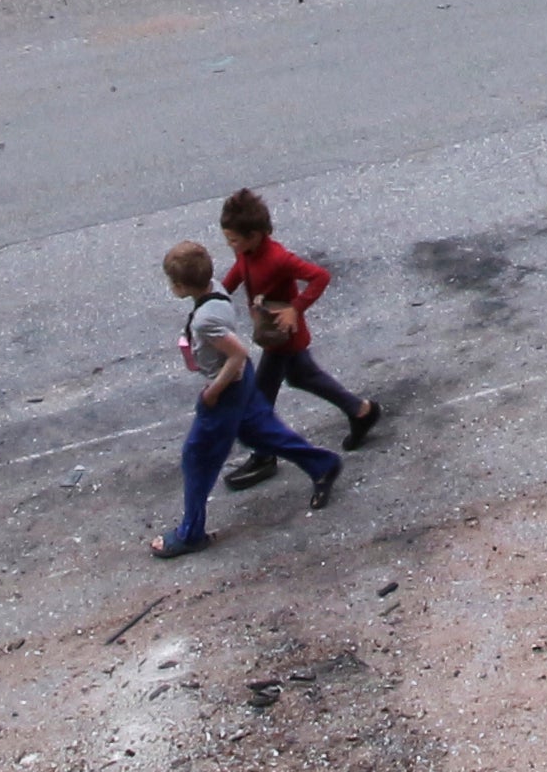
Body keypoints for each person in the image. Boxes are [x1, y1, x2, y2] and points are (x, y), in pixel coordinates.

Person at [157, 238, 338, 559]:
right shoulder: (215, 292)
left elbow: (237, 355)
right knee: (262, 433)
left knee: (196, 458)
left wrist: (212, 393)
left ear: (181, 286)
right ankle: (322, 464)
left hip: (226, 390)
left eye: (173, 282)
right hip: (241, 384)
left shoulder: (204, 320)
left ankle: (191, 533)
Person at [217, 187, 380, 489]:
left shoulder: (277, 258)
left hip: (284, 338)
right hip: (275, 338)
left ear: (254, 235)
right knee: (305, 377)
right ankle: (361, 411)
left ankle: (265, 454)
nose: (231, 246)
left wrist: (296, 308)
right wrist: (213, 298)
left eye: (234, 240)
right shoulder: (248, 254)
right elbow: (237, 274)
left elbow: (320, 276)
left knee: (260, 397)